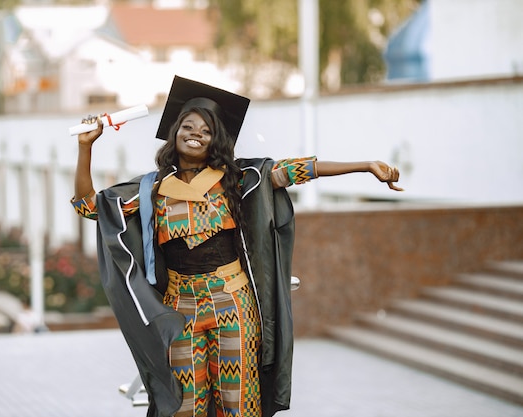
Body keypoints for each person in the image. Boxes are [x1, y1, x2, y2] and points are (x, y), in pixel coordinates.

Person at [71, 76, 402, 417]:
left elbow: (295, 170)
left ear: (217, 140)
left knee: (238, 404)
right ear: (174, 132)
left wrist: (364, 165)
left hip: (232, 302)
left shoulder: (239, 179)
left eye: (206, 130)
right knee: (185, 407)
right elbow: (88, 207)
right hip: (179, 309)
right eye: (188, 125)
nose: (195, 133)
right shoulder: (150, 191)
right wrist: (86, 147)